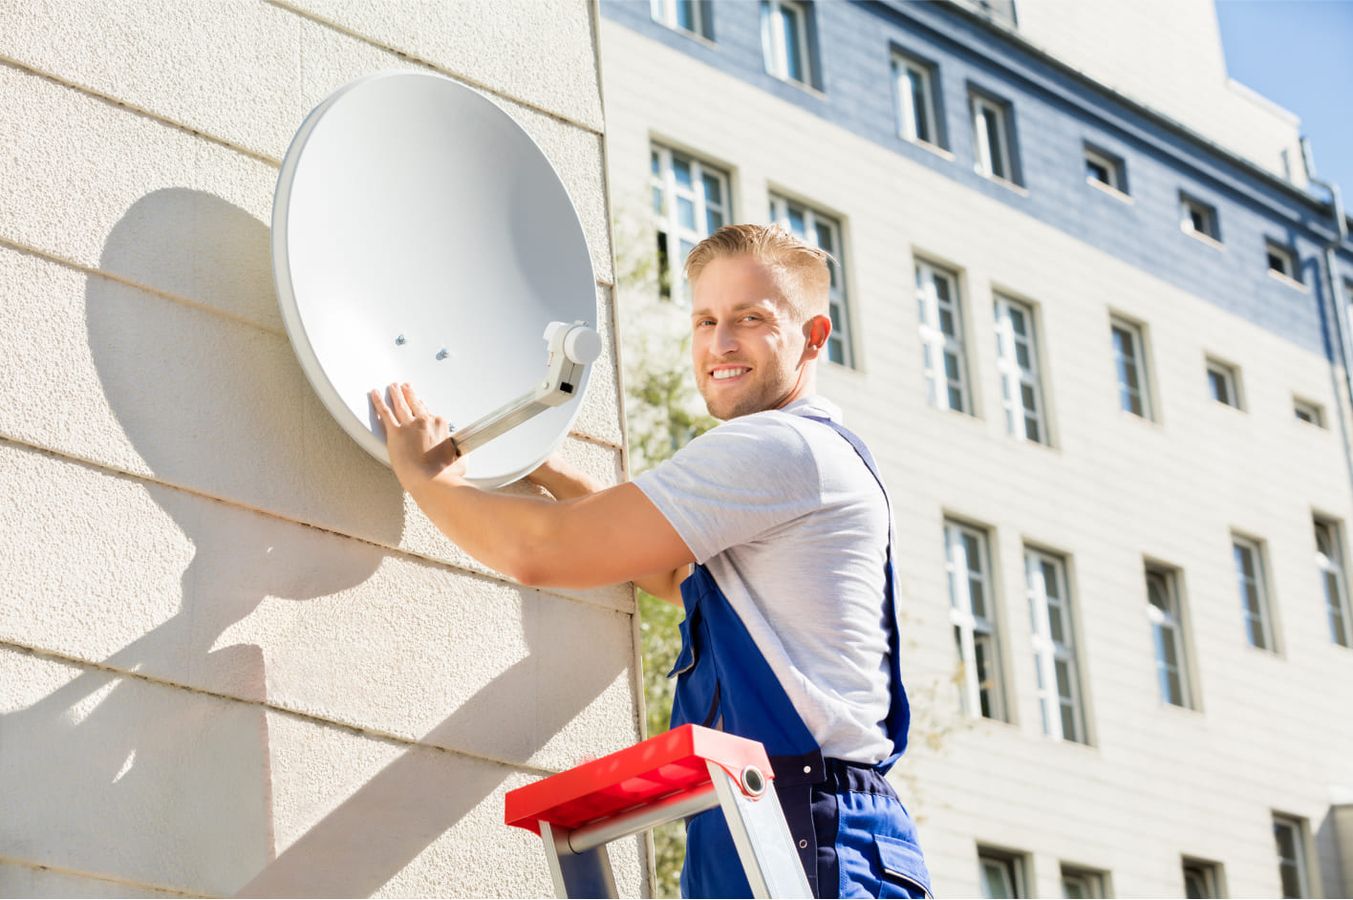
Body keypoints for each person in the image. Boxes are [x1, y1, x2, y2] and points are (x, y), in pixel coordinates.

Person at [369, 224, 931, 898]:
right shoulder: (800, 460)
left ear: (814, 336)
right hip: (761, 818)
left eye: (750, 320)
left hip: (805, 825)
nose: (720, 343)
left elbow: (540, 553)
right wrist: (547, 470)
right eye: (705, 320)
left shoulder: (778, 448)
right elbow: (674, 577)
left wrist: (427, 478)